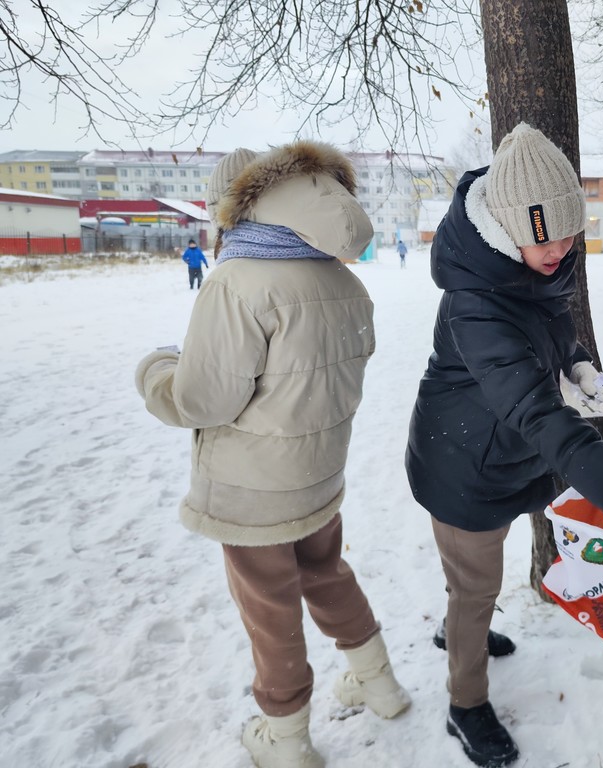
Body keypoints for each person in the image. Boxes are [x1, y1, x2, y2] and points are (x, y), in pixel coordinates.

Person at [405, 123, 603, 767]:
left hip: (506, 454)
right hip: (464, 469)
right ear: (507, 226)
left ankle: (463, 623)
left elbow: (553, 331)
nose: (561, 248)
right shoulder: (473, 303)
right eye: (545, 235)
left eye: (570, 232)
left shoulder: (530, 266)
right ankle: (465, 703)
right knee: (475, 587)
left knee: (473, 583)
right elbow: (534, 414)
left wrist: (578, 368)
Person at [136, 141, 411, 768]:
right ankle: (380, 682)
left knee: (271, 611)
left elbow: (203, 400)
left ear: (237, 207)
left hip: (254, 488)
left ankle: (285, 740)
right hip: (318, 474)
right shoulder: (342, 278)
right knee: (327, 574)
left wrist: (157, 372)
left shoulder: (239, 281)